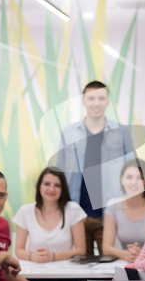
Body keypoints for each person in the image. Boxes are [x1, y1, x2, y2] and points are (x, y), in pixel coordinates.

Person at [56, 81, 134, 255]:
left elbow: (132, 170)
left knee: (113, 264)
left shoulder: (122, 132)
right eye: (91, 98)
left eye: (101, 98)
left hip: (111, 213)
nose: (96, 103)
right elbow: (59, 172)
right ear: (83, 100)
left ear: (107, 101)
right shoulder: (68, 133)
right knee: (78, 266)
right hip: (77, 212)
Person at [13, 167, 87, 281]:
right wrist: (32, 256)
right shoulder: (25, 211)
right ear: (39, 186)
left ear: (63, 188)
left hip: (64, 278)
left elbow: (81, 250)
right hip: (32, 277)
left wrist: (53, 256)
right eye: (47, 184)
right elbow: (18, 250)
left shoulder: (73, 209)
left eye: (57, 185)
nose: (51, 189)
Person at [102, 158, 145, 263]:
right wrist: (129, 255)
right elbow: (106, 248)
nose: (134, 182)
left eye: (140, 178)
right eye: (129, 177)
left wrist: (141, 254)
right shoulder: (113, 206)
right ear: (122, 180)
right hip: (126, 264)